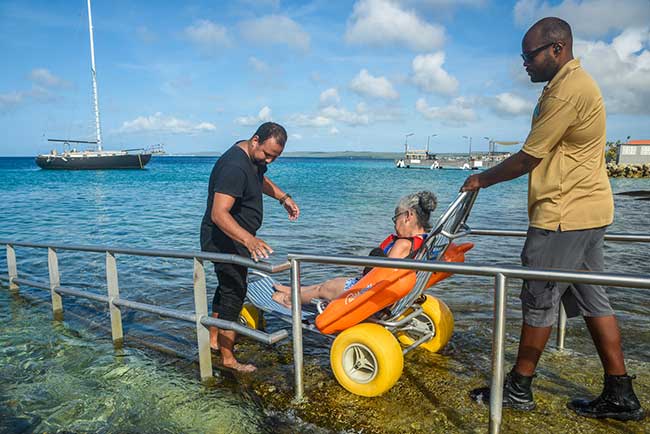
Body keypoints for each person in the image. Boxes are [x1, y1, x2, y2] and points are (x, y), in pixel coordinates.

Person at [462, 17, 644, 421]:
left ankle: (518, 388)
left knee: (539, 298)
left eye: (529, 56)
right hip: (590, 209)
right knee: (593, 298)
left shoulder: (566, 92)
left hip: (563, 214)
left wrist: (481, 179)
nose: (524, 63)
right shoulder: (568, 86)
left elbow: (529, 157)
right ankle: (620, 393)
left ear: (557, 49)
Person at [200, 122, 299, 372]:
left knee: (226, 288)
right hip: (225, 239)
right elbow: (218, 214)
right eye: (267, 154)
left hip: (234, 238)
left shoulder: (251, 158)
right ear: (255, 140)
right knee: (234, 292)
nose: (269, 161)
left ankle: (214, 339)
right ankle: (228, 359)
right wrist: (249, 240)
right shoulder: (234, 166)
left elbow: (260, 179)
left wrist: (283, 197)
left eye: (275, 157)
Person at [272, 191, 437, 307]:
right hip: (384, 292)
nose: (394, 225)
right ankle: (294, 290)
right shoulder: (424, 242)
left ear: (408, 216)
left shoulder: (403, 244)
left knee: (324, 289)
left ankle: (289, 300)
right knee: (324, 284)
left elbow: (383, 276)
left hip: (369, 295)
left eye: (396, 218)